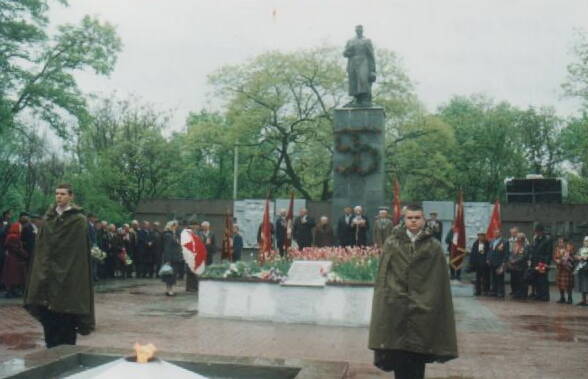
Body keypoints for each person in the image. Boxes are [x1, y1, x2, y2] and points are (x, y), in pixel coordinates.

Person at [369, 204, 457, 379]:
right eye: (410, 218)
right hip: (397, 308)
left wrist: (428, 300)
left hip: (423, 310)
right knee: (399, 357)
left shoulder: (434, 246)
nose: (414, 221)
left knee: (417, 358)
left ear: (423, 220)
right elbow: (384, 276)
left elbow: (438, 281)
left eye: (417, 217)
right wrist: (392, 296)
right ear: (404, 219)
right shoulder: (392, 243)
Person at [24, 183, 94, 348]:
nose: (59, 197)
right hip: (47, 276)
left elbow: (78, 253)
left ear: (71, 196)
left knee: (66, 320)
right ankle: (51, 353)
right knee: (49, 319)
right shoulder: (48, 218)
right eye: (57, 194)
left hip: (69, 276)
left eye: (63, 194)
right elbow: (41, 247)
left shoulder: (78, 221)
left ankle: (66, 356)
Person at [343, 25, 376, 107]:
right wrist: (349, 50)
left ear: (362, 30)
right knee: (354, 81)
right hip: (353, 63)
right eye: (357, 29)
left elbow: (371, 56)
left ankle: (364, 99)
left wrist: (372, 70)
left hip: (364, 62)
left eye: (360, 29)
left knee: (363, 81)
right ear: (355, 30)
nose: (359, 31)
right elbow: (345, 53)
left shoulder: (367, 41)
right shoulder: (350, 41)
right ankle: (356, 99)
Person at [1, 222, 28, 298]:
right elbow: (16, 248)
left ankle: (12, 291)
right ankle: (10, 292)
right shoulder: (13, 237)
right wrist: (25, 254)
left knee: (12, 276)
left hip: (13, 258)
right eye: (19, 227)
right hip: (13, 259)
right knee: (12, 276)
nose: (21, 228)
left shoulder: (13, 236)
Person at [528, 223, 553, 302]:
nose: (536, 233)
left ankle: (545, 296)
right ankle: (538, 295)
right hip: (535, 261)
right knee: (537, 279)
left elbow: (548, 253)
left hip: (543, 262)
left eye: (537, 231)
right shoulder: (536, 239)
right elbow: (533, 249)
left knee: (543, 279)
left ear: (541, 231)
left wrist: (546, 263)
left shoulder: (547, 239)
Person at [161, 220, 182, 296]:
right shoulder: (168, 235)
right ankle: (169, 290)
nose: (176, 227)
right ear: (171, 226)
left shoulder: (174, 235)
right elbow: (167, 248)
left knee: (172, 275)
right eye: (175, 226)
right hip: (171, 258)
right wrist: (168, 260)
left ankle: (170, 289)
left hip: (175, 258)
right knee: (169, 275)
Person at [487, 228, 509, 298]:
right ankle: (494, 291)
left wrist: (504, 262)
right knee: (493, 278)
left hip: (500, 262)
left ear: (500, 233)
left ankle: (501, 292)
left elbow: (506, 253)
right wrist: (488, 258)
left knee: (500, 278)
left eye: (497, 233)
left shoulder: (505, 242)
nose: (495, 234)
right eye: (495, 233)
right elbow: (489, 251)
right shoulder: (492, 241)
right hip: (492, 262)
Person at [508, 232, 530, 300]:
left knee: (522, 281)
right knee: (515, 281)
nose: (517, 239)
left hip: (522, 267)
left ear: (522, 239)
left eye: (518, 238)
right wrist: (511, 260)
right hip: (514, 267)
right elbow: (511, 254)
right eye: (517, 238)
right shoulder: (515, 245)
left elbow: (524, 256)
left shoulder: (526, 246)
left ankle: (523, 295)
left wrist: (515, 261)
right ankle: (516, 294)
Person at [553, 238, 575, 304]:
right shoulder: (557, 249)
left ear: (564, 243)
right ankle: (562, 297)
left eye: (561, 242)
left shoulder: (569, 249)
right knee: (560, 284)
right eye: (559, 242)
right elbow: (554, 257)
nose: (560, 243)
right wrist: (556, 260)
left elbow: (572, 257)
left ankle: (570, 298)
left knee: (568, 284)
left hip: (567, 269)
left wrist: (565, 260)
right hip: (560, 268)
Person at [574, 236, 588, 306]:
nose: (586, 242)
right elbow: (576, 256)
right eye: (585, 241)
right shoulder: (581, 249)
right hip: (582, 269)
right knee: (583, 285)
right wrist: (579, 257)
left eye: (587, 241)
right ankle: (583, 300)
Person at [507, 227, 520, 296]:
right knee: (512, 277)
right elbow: (508, 250)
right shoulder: (509, 240)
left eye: (515, 232)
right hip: (511, 260)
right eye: (512, 232)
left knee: (518, 277)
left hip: (518, 260)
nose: (513, 234)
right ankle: (513, 290)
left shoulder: (522, 239)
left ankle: (518, 290)